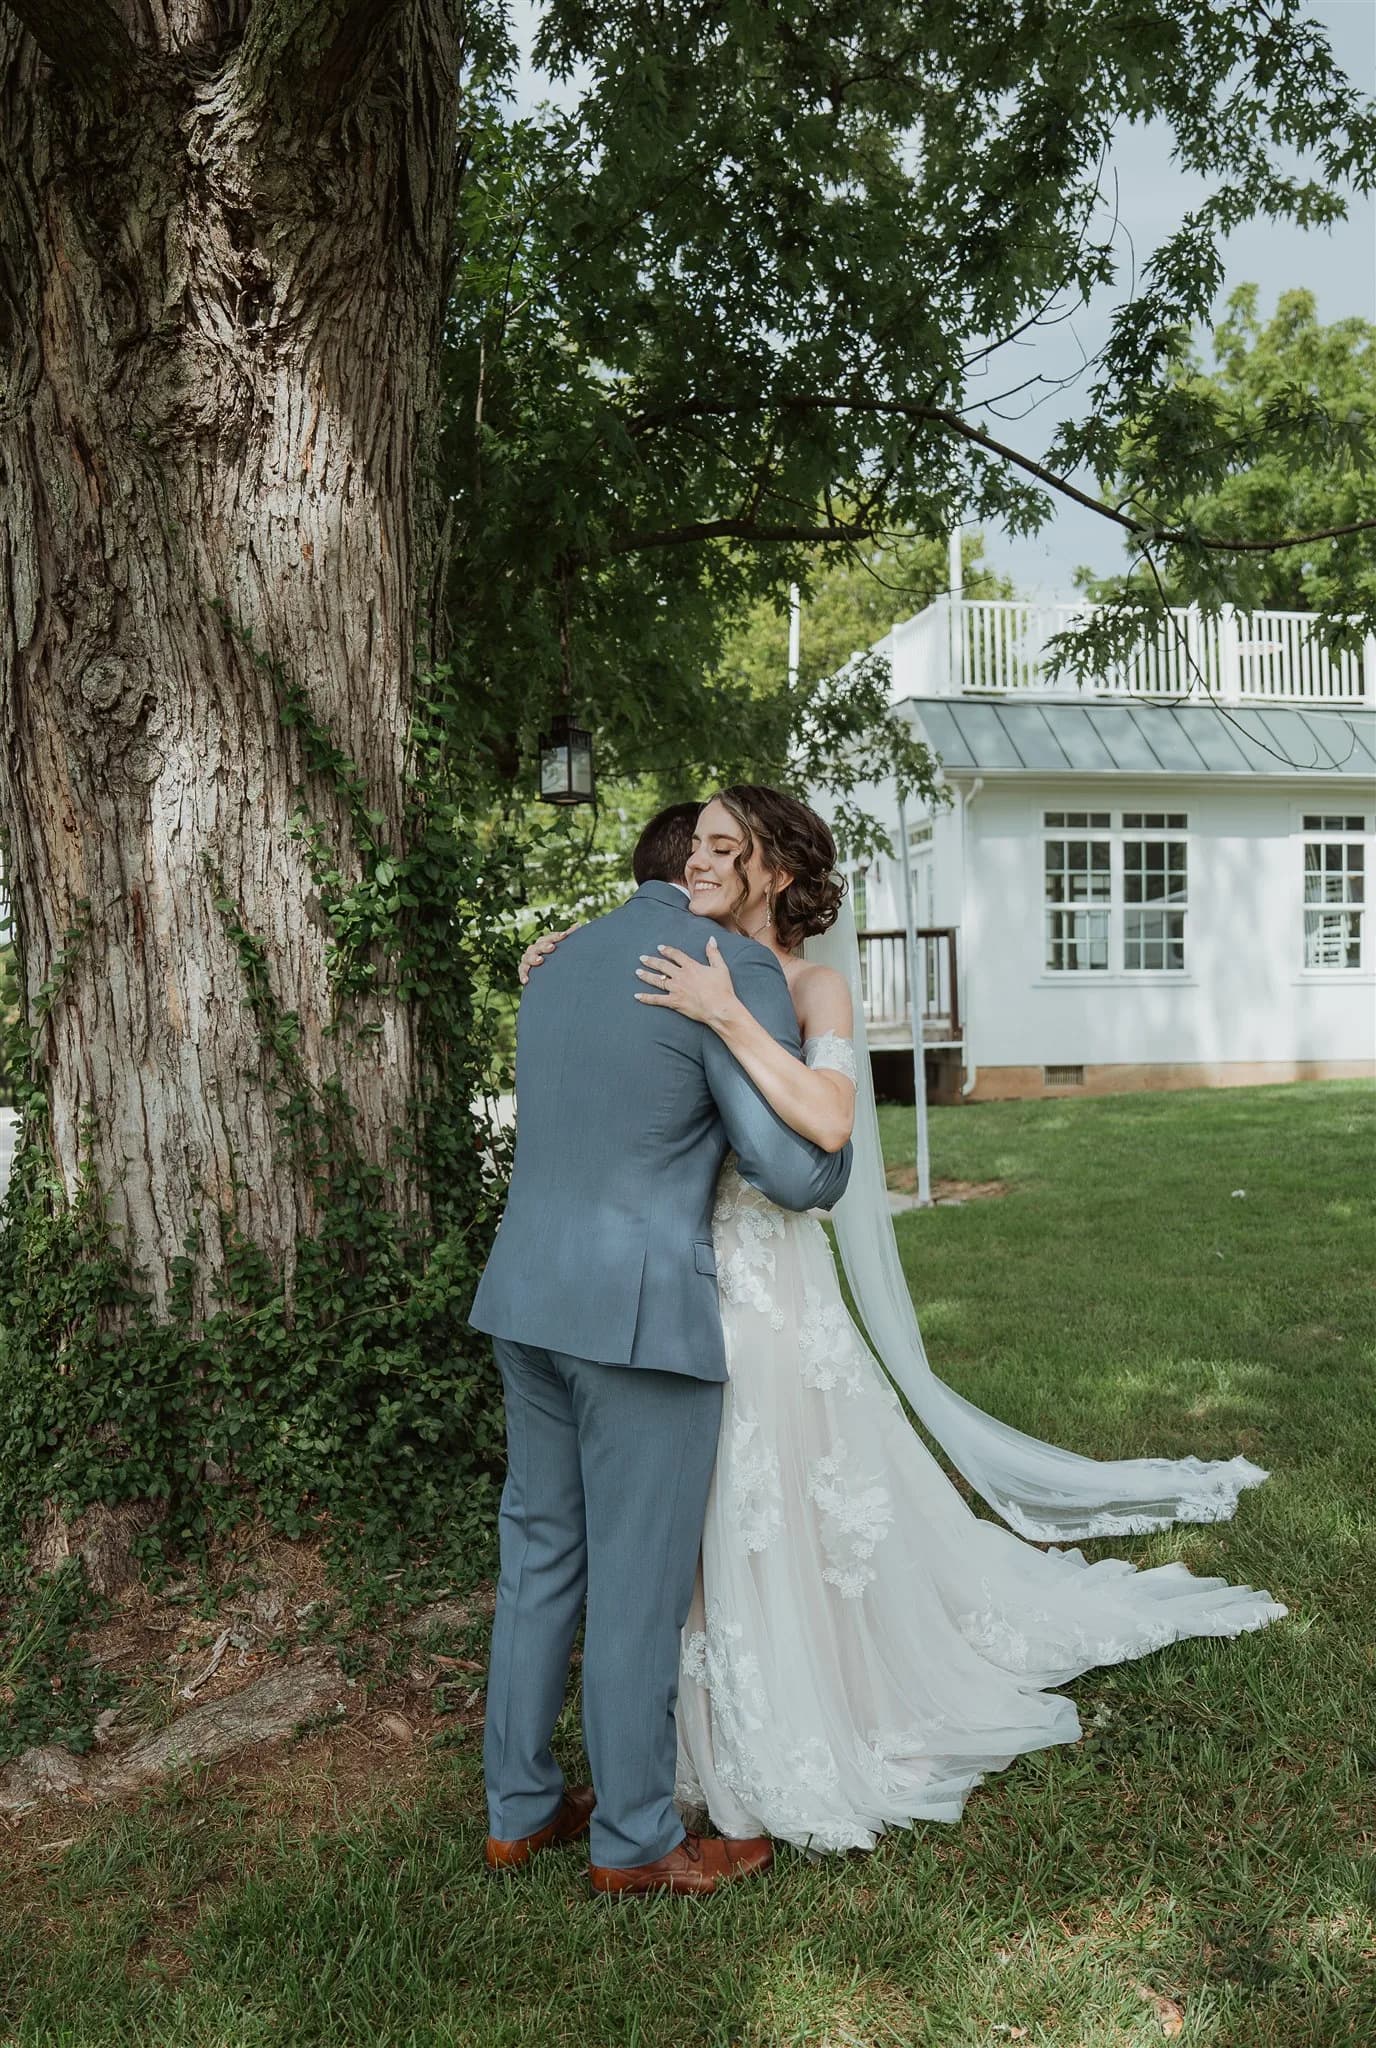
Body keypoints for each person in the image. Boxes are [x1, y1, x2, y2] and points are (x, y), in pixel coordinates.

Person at [524, 786, 1286, 1853]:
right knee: (693, 1521)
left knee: (781, 1494)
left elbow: (829, 1121)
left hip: (765, 1278)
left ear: (774, 873)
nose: (695, 865)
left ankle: (812, 1703)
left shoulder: (806, 984)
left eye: (720, 848)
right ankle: (688, 1738)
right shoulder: (679, 952)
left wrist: (729, 1015)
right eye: (692, 847)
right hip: (674, 1279)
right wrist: (566, 955)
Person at [467, 798, 853, 1896]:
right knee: (637, 1587)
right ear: (693, 867)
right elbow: (793, 1172)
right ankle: (634, 1839)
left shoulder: (560, 959)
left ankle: (519, 1807)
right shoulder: (725, 970)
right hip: (636, 1316)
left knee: (538, 1556)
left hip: (524, 1300)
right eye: (714, 848)